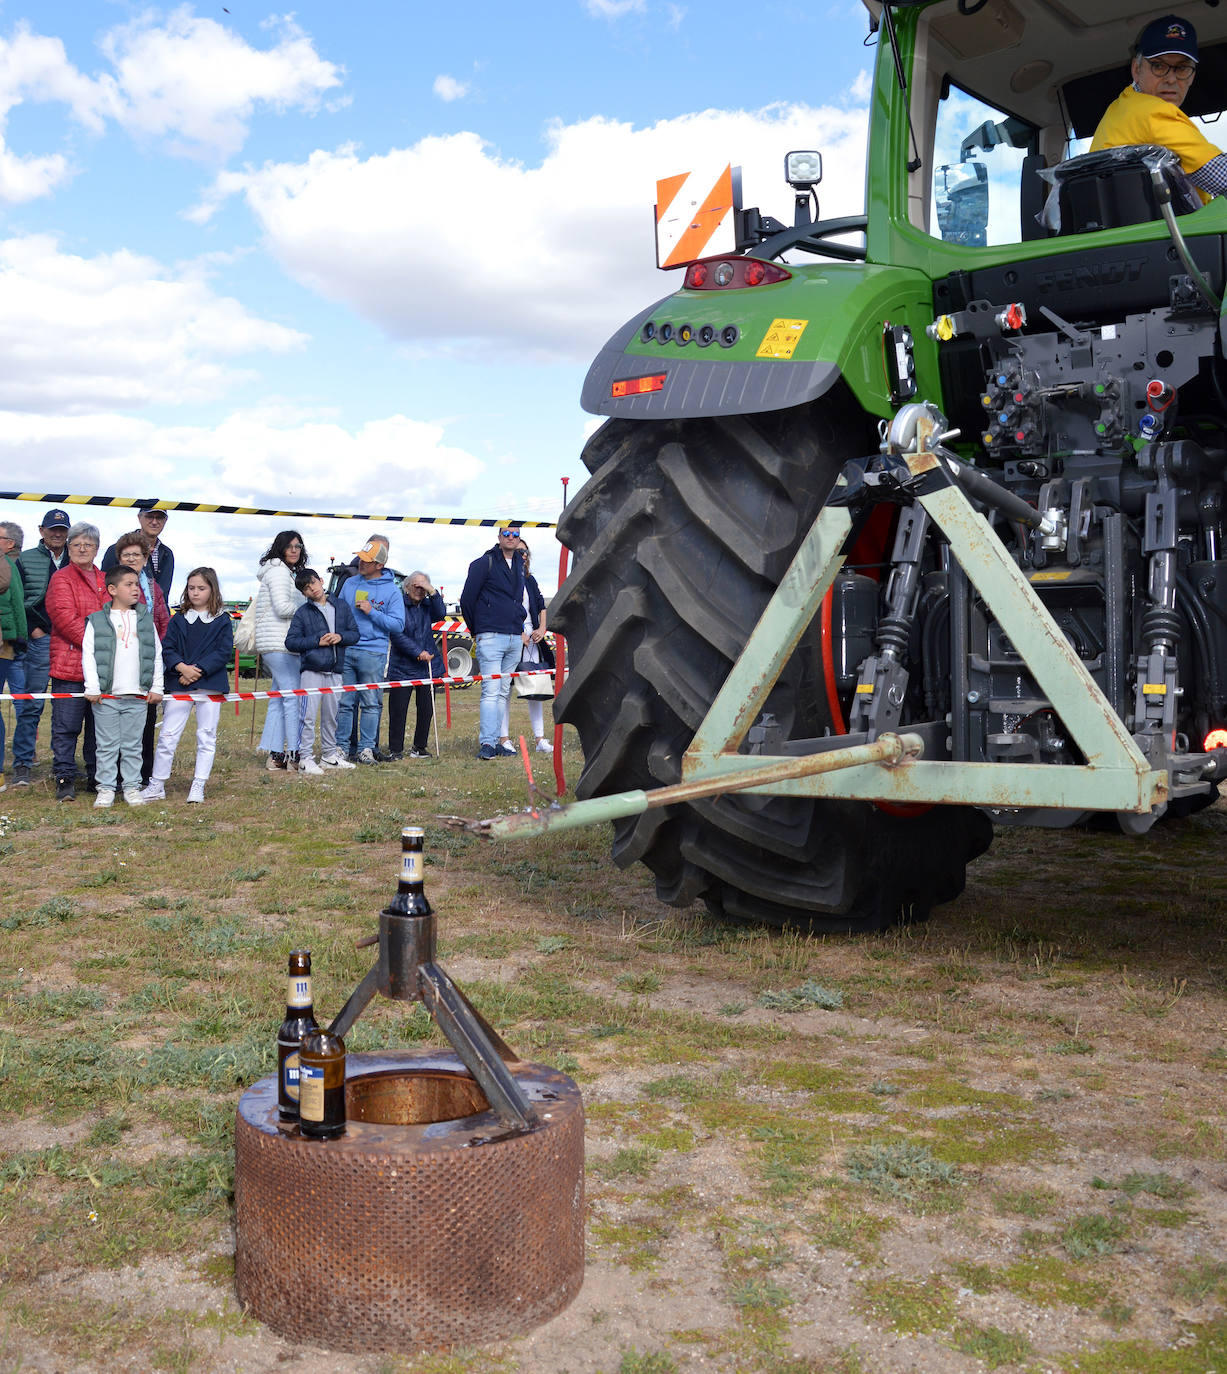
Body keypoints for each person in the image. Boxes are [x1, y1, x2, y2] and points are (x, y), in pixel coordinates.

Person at [1091, 15, 1227, 203]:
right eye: (1159, 66)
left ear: (1192, 77)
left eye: (1182, 68)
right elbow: (1221, 178)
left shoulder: (1121, 107)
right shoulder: (1153, 113)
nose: (1171, 79)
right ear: (1136, 70)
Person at [142, 567, 234, 804]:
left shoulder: (222, 619)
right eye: (191, 588)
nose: (195, 593)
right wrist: (182, 668)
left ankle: (198, 785)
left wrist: (197, 671)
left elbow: (223, 652)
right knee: (168, 735)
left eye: (201, 588)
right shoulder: (178, 618)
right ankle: (156, 784)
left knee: (206, 736)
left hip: (209, 685)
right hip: (179, 684)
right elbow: (168, 648)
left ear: (212, 589)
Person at [82, 566, 163, 808]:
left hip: (138, 697)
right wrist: (93, 686)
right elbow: (89, 654)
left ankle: (131, 787)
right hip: (107, 697)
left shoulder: (146, 620)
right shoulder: (96, 620)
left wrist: (157, 686)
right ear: (112, 590)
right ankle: (105, 788)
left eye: (137, 584)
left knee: (132, 746)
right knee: (106, 746)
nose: (135, 589)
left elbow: (155, 654)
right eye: (129, 584)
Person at [46, 522, 108, 802]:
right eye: (76, 544)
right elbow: (64, 618)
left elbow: (114, 615)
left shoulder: (105, 579)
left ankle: (96, 778)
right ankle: (64, 778)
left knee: (98, 728)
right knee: (66, 726)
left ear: (97, 549)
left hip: (103, 667)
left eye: (88, 544)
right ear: (68, 548)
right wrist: (100, 643)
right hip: (70, 664)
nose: (83, 549)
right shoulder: (61, 578)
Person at [12, 508, 70, 786]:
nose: (58, 534)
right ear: (41, 531)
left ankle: (66, 763)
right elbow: (19, 597)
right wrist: (33, 629)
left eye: (62, 529)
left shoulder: (77, 557)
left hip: (72, 640)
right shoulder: (26, 559)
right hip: (40, 639)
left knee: (71, 704)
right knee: (31, 702)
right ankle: (22, 762)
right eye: (52, 529)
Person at [335, 535, 404, 765]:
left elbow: (398, 624)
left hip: (374, 653)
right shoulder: (350, 583)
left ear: (379, 565)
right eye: (360, 558)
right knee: (345, 703)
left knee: (371, 703)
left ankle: (366, 748)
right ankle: (341, 748)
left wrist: (372, 612)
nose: (360, 562)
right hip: (347, 650)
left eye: (366, 560)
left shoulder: (392, 591)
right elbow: (338, 613)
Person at [109, 529, 170, 790]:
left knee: (145, 722)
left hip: (146, 661)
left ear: (145, 558)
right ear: (119, 558)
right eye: (127, 555)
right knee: (115, 725)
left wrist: (159, 651)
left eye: (137, 554)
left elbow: (163, 619)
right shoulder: (110, 586)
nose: (132, 558)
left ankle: (143, 774)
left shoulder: (153, 587)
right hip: (119, 661)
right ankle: (113, 776)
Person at [460, 523, 526, 760]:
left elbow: (519, 598)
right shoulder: (483, 563)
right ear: (499, 537)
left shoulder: (520, 563)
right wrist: (477, 629)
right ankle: (487, 743)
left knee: (502, 693)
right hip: (490, 635)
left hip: (514, 637)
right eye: (506, 534)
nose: (511, 537)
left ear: (519, 538)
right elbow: (467, 599)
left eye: (515, 534)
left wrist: (520, 623)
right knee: (490, 691)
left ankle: (498, 740)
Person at [285, 567, 359, 774]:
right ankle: (305, 758)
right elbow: (291, 642)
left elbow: (355, 634)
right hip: (311, 671)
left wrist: (340, 637)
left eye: (313, 583)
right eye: (307, 588)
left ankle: (329, 755)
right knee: (307, 716)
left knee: (331, 716)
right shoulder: (302, 613)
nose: (312, 589)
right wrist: (316, 642)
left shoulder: (342, 606)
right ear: (303, 594)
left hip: (335, 670)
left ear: (321, 581)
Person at [253, 530, 308, 771]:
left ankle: (276, 755)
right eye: (290, 546)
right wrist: (309, 605)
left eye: (298, 546)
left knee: (278, 698)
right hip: (279, 643)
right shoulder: (278, 572)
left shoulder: (282, 572)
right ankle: (294, 754)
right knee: (292, 697)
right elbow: (284, 607)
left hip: (277, 642)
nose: (294, 550)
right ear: (280, 548)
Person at [501, 540, 555, 754]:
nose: (521, 554)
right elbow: (502, 609)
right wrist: (517, 633)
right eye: (517, 551)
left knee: (536, 690)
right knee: (504, 690)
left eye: (524, 551)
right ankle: (503, 738)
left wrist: (542, 628)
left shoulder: (530, 580)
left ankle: (540, 738)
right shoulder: (503, 579)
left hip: (533, 642)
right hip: (511, 638)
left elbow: (541, 605)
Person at [387, 572, 445, 760]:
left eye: (423, 587)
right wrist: (416, 651)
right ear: (406, 587)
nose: (419, 591)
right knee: (398, 710)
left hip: (427, 666)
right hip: (403, 665)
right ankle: (395, 749)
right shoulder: (398, 605)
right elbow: (396, 634)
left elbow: (441, 614)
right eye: (416, 586)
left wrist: (431, 590)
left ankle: (419, 747)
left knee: (426, 709)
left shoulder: (429, 605)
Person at [0, 528, 27, 792]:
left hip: (3, 645)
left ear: (8, 544)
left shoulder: (7, 566)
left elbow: (17, 602)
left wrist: (19, 637)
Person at [102, 507, 175, 599]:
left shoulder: (167, 554)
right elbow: (105, 587)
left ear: (166, 520)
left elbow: (164, 594)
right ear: (139, 518)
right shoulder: (116, 549)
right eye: (149, 517)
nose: (154, 522)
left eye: (159, 518)